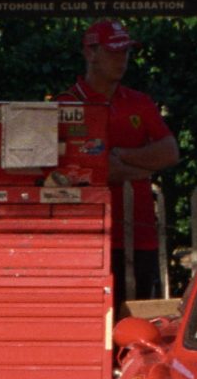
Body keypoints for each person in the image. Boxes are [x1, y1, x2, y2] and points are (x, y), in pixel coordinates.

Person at [62, 18, 179, 303]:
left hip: (141, 235)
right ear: (90, 53)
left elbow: (170, 153)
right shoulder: (67, 105)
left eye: (125, 52)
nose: (122, 60)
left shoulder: (139, 101)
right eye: (114, 52)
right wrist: (141, 169)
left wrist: (121, 155)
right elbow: (91, 171)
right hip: (88, 236)